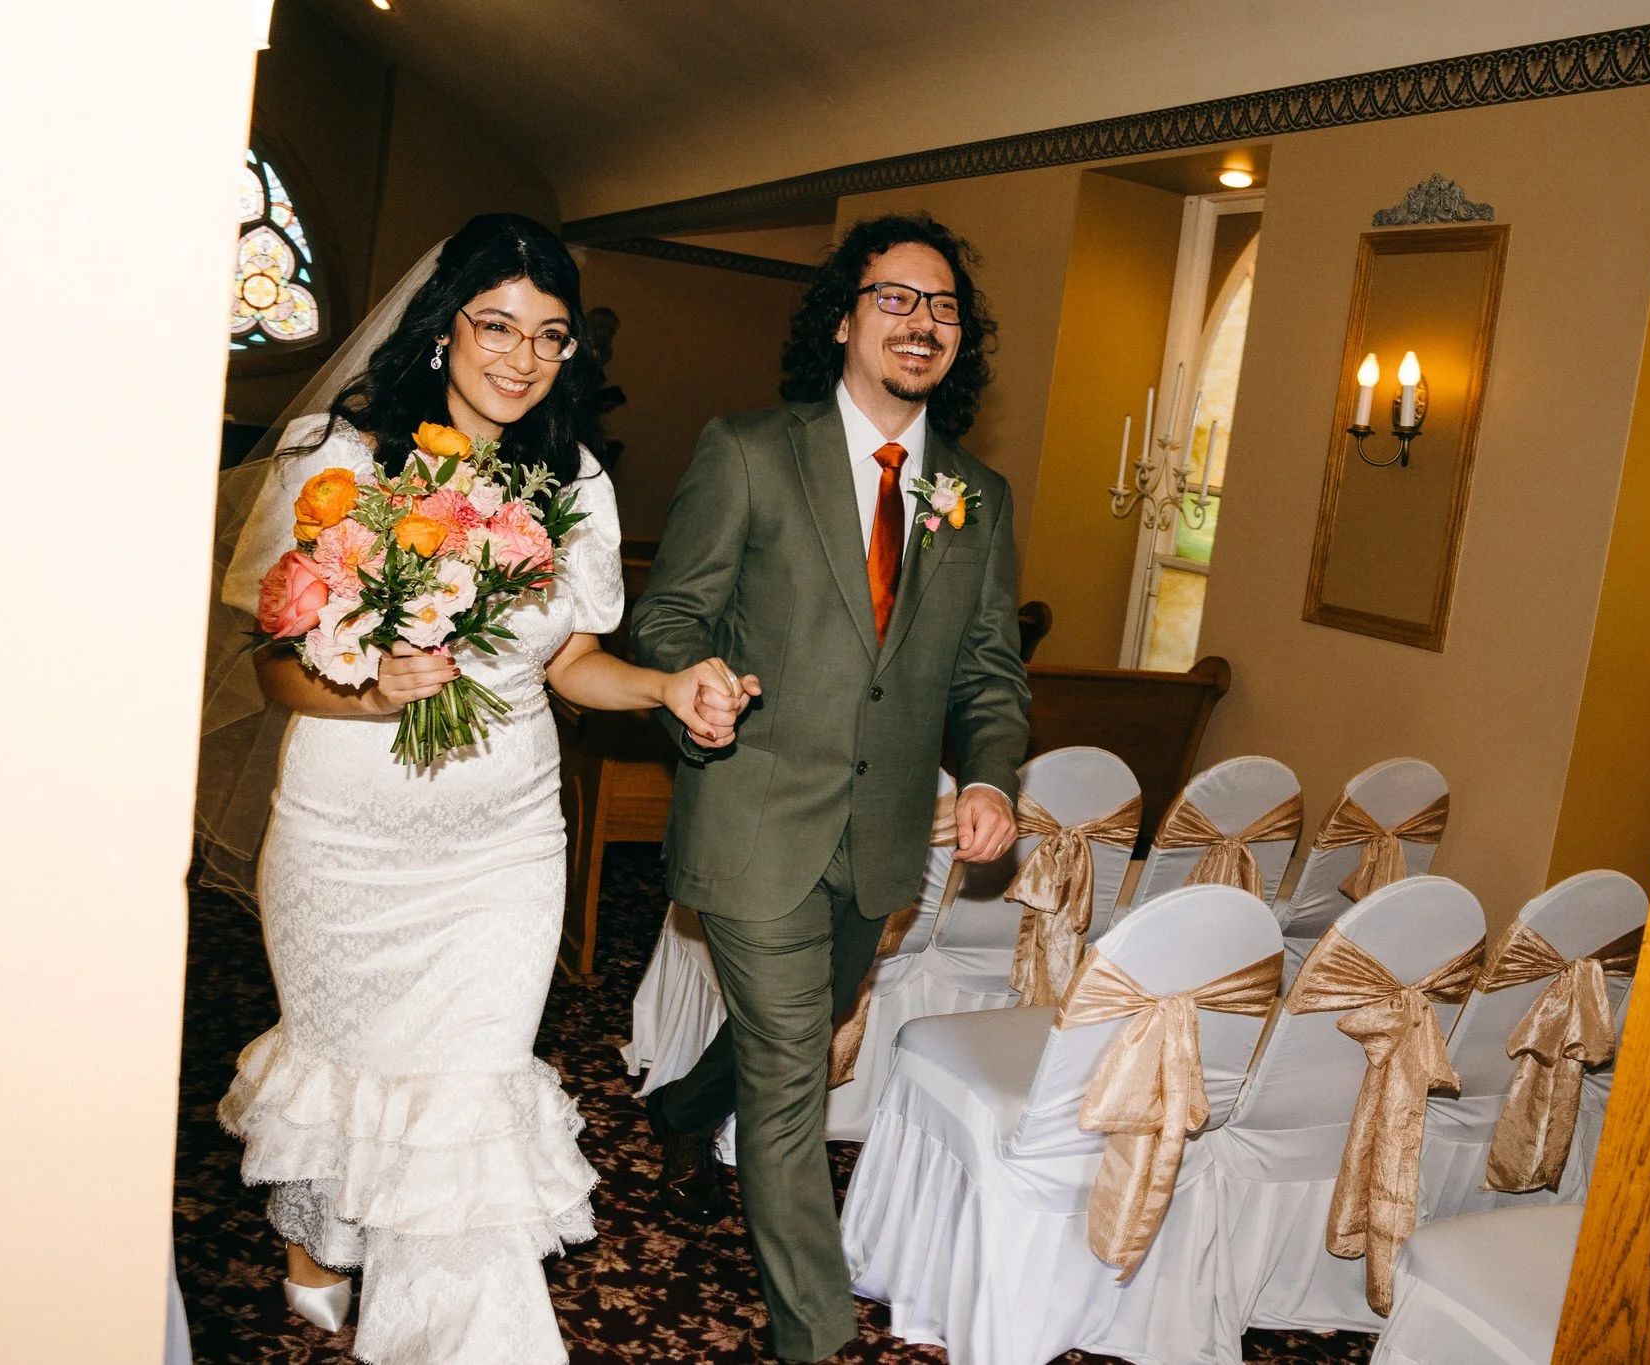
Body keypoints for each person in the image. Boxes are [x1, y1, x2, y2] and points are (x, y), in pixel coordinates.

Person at [206, 214, 747, 1364]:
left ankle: (449, 1337)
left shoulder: (576, 480)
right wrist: (373, 690)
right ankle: (319, 1243)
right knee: (344, 1064)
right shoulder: (340, 458)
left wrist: (659, 684)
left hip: (501, 840)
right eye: (496, 324)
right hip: (346, 834)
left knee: (468, 1083)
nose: (521, 355)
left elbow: (565, 663)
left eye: (550, 336)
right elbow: (270, 665)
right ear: (441, 326)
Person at [631, 212, 1031, 1362]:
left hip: (883, 838)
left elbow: (987, 668)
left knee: (789, 1043)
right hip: (754, 812)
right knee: (790, 1073)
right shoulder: (752, 450)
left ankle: (675, 1109)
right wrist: (687, 677)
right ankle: (816, 1336)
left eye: (943, 306)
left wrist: (993, 775)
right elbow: (670, 611)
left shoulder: (976, 495)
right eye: (896, 299)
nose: (921, 322)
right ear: (844, 319)